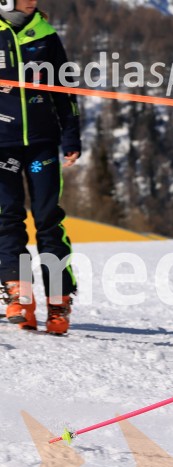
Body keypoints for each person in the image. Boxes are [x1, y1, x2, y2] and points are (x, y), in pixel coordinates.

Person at [0, 0, 81, 335]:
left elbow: (64, 91)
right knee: (7, 217)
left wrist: (71, 135)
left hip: (42, 141)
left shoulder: (46, 35)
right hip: (1, 142)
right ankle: (20, 295)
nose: (32, 1)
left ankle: (59, 302)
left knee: (48, 219)